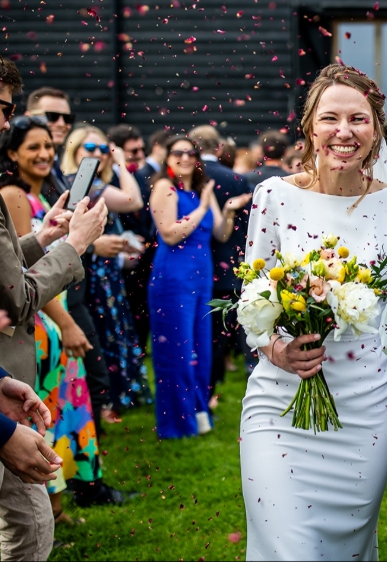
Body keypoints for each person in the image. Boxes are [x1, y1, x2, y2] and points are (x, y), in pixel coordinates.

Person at [240, 64, 387, 560]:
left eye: (358, 119)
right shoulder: (273, 196)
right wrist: (277, 349)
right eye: (330, 118)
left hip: (363, 414)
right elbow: (250, 302)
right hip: (278, 408)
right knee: (290, 551)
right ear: (309, 128)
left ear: (376, 130)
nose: (344, 132)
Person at [0, 41, 107, 561]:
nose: (6, 125)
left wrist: (41, 239)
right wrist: (75, 244)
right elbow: (13, 297)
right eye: (8, 110)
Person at [0, 115, 123, 517]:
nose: (45, 154)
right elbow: (20, 274)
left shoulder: (44, 196)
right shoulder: (15, 195)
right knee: (47, 414)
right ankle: (46, 511)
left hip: (55, 311)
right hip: (39, 320)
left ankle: (58, 510)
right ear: (11, 153)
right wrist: (65, 323)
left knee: (63, 411)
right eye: (33, 147)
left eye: (48, 146)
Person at [148, 136, 250, 439]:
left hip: (201, 279)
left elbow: (219, 233)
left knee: (201, 351)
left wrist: (228, 208)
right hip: (173, 279)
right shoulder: (165, 189)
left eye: (189, 153)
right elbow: (169, 234)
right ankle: (177, 425)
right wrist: (204, 206)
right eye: (176, 152)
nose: (183, 157)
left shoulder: (200, 191)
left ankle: (198, 413)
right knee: (176, 352)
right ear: (168, 158)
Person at [61, 125, 152, 418]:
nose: (98, 154)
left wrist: (115, 162)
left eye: (103, 149)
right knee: (101, 330)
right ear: (74, 152)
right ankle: (104, 400)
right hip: (89, 269)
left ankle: (111, 398)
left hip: (106, 271)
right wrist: (122, 163)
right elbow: (133, 200)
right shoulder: (79, 182)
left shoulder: (96, 181)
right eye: (90, 149)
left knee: (112, 329)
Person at [191, 125, 253, 405]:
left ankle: (192, 387)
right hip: (227, 263)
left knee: (192, 330)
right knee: (217, 333)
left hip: (191, 263)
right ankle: (211, 389)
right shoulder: (237, 179)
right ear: (218, 148)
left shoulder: (186, 177)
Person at [108, 123, 156, 351]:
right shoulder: (109, 179)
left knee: (142, 309)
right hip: (116, 256)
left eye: (141, 149)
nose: (140, 155)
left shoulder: (146, 176)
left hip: (144, 256)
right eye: (133, 151)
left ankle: (139, 349)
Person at [25, 87, 74, 202]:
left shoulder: (56, 163)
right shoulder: (21, 166)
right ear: (28, 117)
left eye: (67, 118)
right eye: (52, 116)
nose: (61, 124)